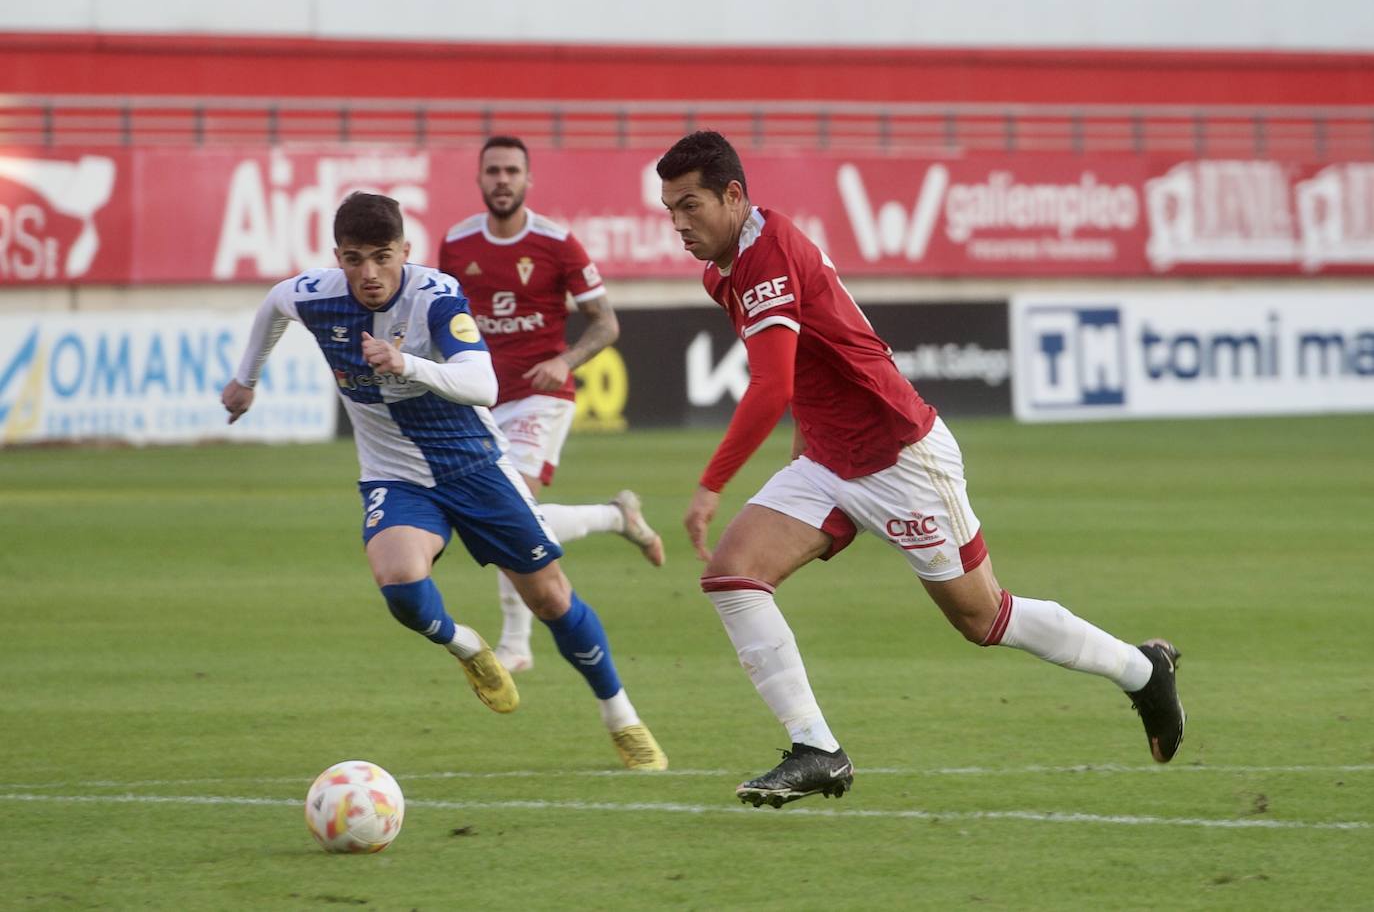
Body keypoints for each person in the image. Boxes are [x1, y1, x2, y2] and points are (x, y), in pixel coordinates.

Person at [655, 131, 1184, 808]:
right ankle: (817, 747)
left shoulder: (769, 256)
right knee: (732, 575)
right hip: (828, 460)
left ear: (733, 195)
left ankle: (1144, 672)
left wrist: (710, 485)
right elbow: (816, 361)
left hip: (899, 457)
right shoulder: (724, 270)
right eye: (669, 209)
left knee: (983, 618)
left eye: (690, 205)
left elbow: (770, 385)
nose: (678, 223)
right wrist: (806, 438)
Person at [221, 191, 667, 772]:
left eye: (383, 257)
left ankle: (621, 717)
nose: (370, 273)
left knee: (551, 597)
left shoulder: (436, 295)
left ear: (405, 250)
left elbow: (481, 385)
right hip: (396, 474)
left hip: (474, 465)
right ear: (338, 257)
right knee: (400, 584)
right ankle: (468, 646)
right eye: (355, 259)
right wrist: (245, 379)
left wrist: (406, 363)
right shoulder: (317, 295)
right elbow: (275, 306)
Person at [439, 135, 664, 675]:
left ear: (528, 179)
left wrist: (566, 361)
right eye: (492, 170)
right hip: (483, 401)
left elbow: (606, 322)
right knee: (508, 515)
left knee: (509, 508)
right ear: (479, 178)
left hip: (543, 394)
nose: (502, 180)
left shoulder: (557, 243)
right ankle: (617, 516)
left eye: (512, 170)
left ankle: (516, 642)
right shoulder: (456, 244)